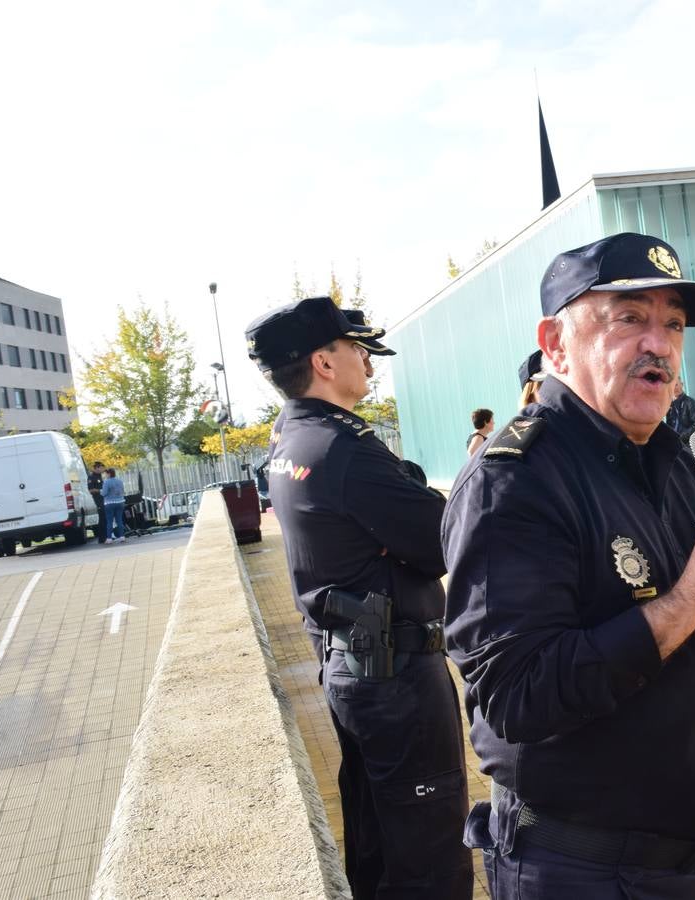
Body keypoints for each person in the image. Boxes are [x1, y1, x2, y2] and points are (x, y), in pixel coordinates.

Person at [441, 232, 695, 898]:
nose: (659, 345)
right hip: (591, 872)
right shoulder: (513, 484)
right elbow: (516, 697)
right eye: (629, 319)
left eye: (673, 324)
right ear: (554, 344)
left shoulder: (686, 459)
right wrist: (690, 597)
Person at [244, 296, 471, 899]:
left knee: (379, 844)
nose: (367, 361)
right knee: (428, 856)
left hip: (357, 664)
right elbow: (441, 540)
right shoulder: (343, 449)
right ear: (324, 361)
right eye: (355, 348)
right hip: (395, 674)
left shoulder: (292, 440)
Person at [665, 375, 695, 443]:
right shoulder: (670, 406)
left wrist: (682, 437)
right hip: (675, 444)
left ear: (682, 385)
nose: (675, 388)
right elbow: (670, 426)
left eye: (676, 385)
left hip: (689, 444)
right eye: (672, 386)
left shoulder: (690, 403)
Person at [101, 467, 126, 543]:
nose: (105, 475)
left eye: (106, 474)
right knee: (119, 520)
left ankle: (109, 538)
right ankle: (122, 536)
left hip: (109, 503)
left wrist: (100, 491)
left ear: (109, 474)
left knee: (109, 521)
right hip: (120, 502)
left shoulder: (106, 482)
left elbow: (104, 493)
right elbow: (122, 491)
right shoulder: (120, 481)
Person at [88, 461, 107, 544]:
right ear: (97, 468)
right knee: (102, 518)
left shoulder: (100, 476)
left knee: (105, 518)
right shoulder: (91, 477)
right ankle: (102, 538)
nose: (102, 470)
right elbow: (91, 490)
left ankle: (106, 536)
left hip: (104, 499)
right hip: (98, 500)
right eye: (101, 468)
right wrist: (101, 490)